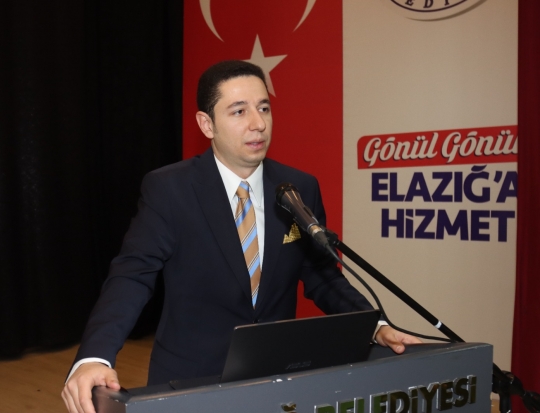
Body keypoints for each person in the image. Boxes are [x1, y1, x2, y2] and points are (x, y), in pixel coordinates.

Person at [61, 60, 420, 413]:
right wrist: (95, 356)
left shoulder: (298, 189)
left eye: (264, 108)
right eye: (239, 111)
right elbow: (132, 275)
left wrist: (374, 324)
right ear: (207, 124)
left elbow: (322, 276)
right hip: (191, 383)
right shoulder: (170, 189)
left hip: (277, 380)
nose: (258, 123)